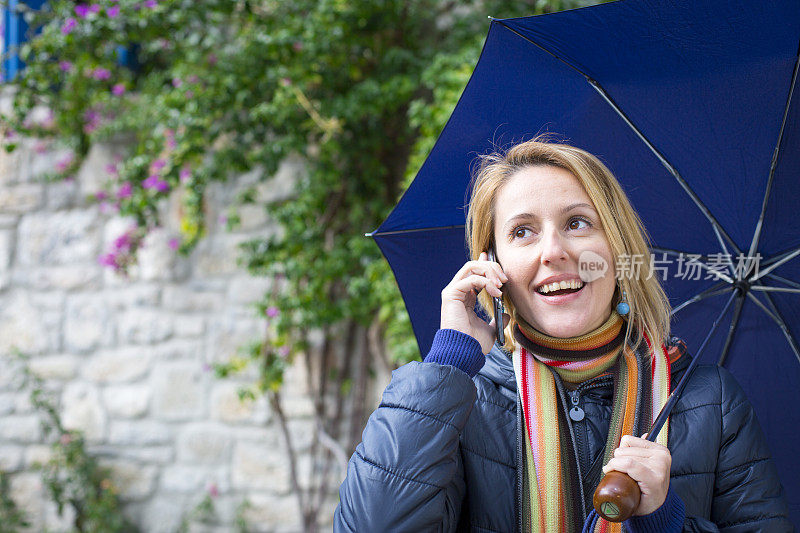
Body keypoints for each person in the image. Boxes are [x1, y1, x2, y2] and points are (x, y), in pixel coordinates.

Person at [334, 139, 791, 532]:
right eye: (523, 232)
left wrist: (663, 519)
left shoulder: (713, 402)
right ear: (492, 265)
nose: (553, 252)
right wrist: (450, 361)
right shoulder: (459, 400)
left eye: (577, 223)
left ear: (617, 250)